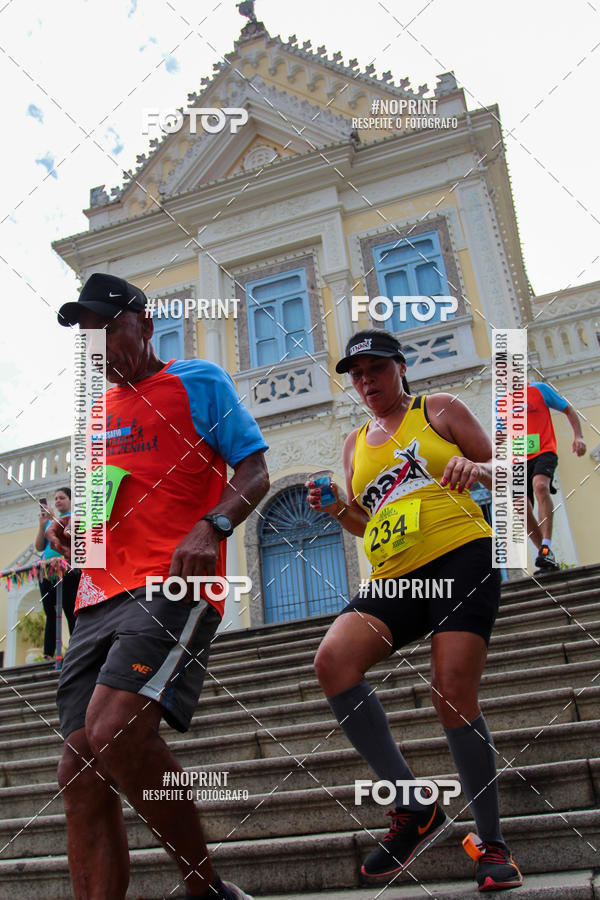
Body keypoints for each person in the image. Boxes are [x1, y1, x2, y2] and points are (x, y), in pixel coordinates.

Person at [48, 272, 269, 900]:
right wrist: (73, 533)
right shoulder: (93, 418)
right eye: (85, 337)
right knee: (78, 769)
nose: (96, 347)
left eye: (106, 329)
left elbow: (254, 469)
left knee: (114, 728)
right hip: (96, 600)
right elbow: (96, 513)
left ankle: (205, 890)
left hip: (171, 584)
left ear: (144, 325)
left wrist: (213, 525)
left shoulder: (197, 380)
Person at [307, 329, 522, 892]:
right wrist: (337, 510)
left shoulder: (440, 409)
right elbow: (364, 522)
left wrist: (477, 472)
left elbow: (513, 474)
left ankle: (491, 842)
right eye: (356, 374)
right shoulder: (355, 444)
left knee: (451, 689)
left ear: (400, 368)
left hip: (459, 556)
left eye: (376, 368)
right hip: (392, 576)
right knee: (333, 662)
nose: (366, 381)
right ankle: (414, 805)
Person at [520, 382, 586, 572]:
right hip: (518, 456)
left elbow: (569, 410)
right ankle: (545, 553)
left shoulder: (539, 389)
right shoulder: (500, 401)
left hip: (544, 450)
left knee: (540, 486)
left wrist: (578, 436)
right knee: (520, 506)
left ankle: (546, 545)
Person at [34, 486, 80, 658]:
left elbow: (70, 536)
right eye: (56, 499)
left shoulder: (72, 518)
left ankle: (75, 649)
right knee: (50, 610)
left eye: (62, 497)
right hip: (47, 570)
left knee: (69, 608)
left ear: (70, 500)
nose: (58, 501)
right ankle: (48, 652)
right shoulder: (47, 522)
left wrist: (54, 519)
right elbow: (39, 546)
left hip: (67, 569)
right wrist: (42, 525)